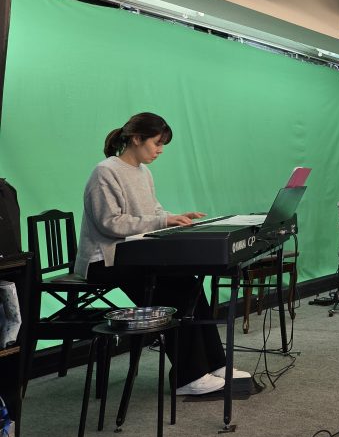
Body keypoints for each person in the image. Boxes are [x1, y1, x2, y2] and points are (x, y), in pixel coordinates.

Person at [75, 112, 245, 395]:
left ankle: (216, 364)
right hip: (104, 260)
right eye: (157, 143)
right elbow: (110, 223)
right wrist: (163, 221)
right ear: (136, 138)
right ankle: (188, 377)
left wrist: (175, 218)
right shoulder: (105, 172)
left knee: (190, 284)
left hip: (134, 256)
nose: (160, 150)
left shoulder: (144, 172)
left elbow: (152, 211)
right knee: (176, 296)